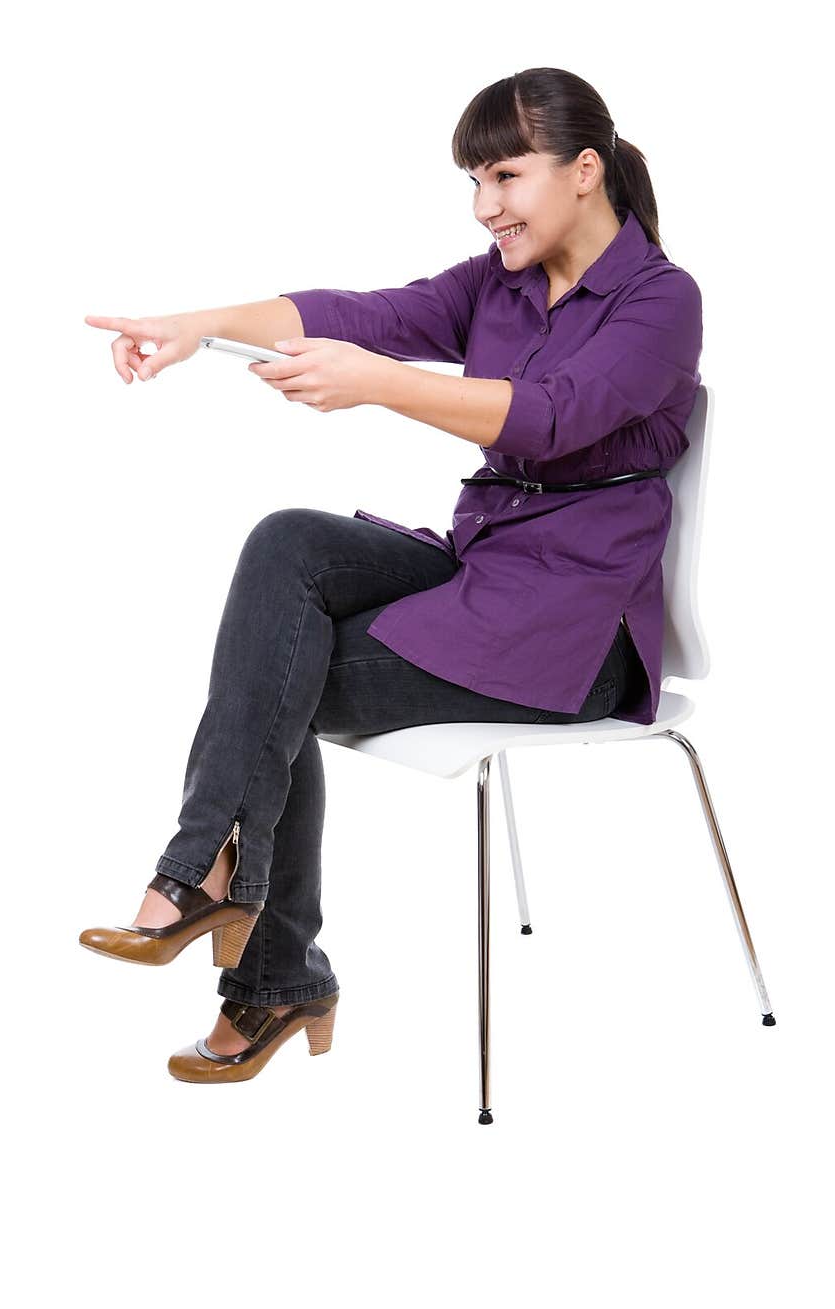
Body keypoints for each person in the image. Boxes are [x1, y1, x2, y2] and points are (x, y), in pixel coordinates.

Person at [80, 66, 702, 1087]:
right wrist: (200, 324)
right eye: (473, 179)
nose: (483, 204)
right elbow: (365, 312)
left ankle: (244, 939)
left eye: (504, 175)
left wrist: (380, 391)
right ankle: (226, 907)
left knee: (280, 676)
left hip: (574, 634)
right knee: (289, 544)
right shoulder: (499, 280)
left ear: (585, 171)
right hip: (484, 571)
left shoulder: (661, 301)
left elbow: (551, 415)